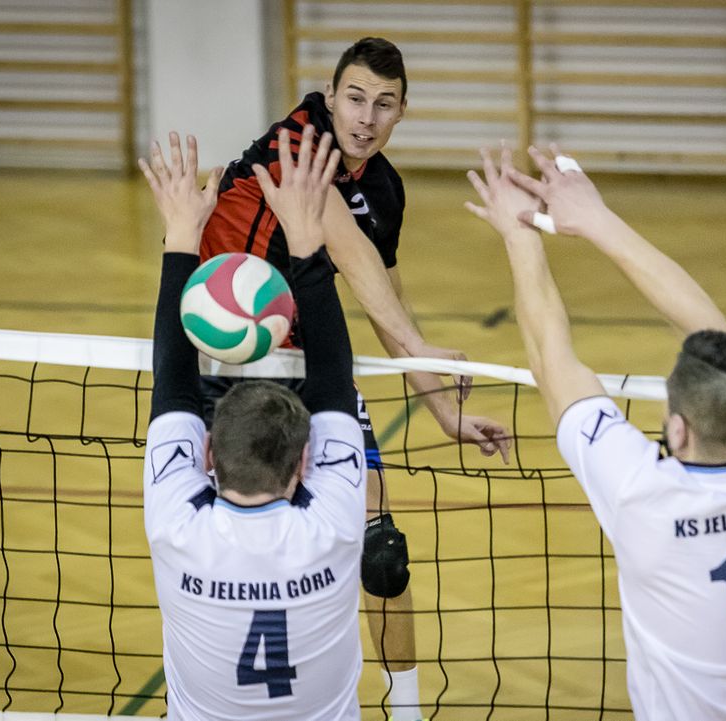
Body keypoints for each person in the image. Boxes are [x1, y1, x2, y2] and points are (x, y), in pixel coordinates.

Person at [465, 145, 726, 720]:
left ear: (677, 430)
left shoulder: (643, 496)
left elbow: (550, 357)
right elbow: (716, 333)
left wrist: (520, 233)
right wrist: (598, 220)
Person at [201, 36, 510, 718]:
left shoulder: (383, 187)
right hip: (228, 363)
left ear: (402, 111)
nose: (366, 119)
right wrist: (423, 349)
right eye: (355, 98)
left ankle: (407, 709)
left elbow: (387, 299)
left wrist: (442, 409)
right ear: (330, 96)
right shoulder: (298, 146)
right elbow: (356, 264)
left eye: (384, 104)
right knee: (235, 547)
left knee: (382, 551)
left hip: (312, 359)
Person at [139, 125, 369, 719]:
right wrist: (309, 236)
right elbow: (335, 381)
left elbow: (172, 381)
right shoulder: (336, 528)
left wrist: (182, 232)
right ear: (303, 462)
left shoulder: (176, 529)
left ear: (207, 456)